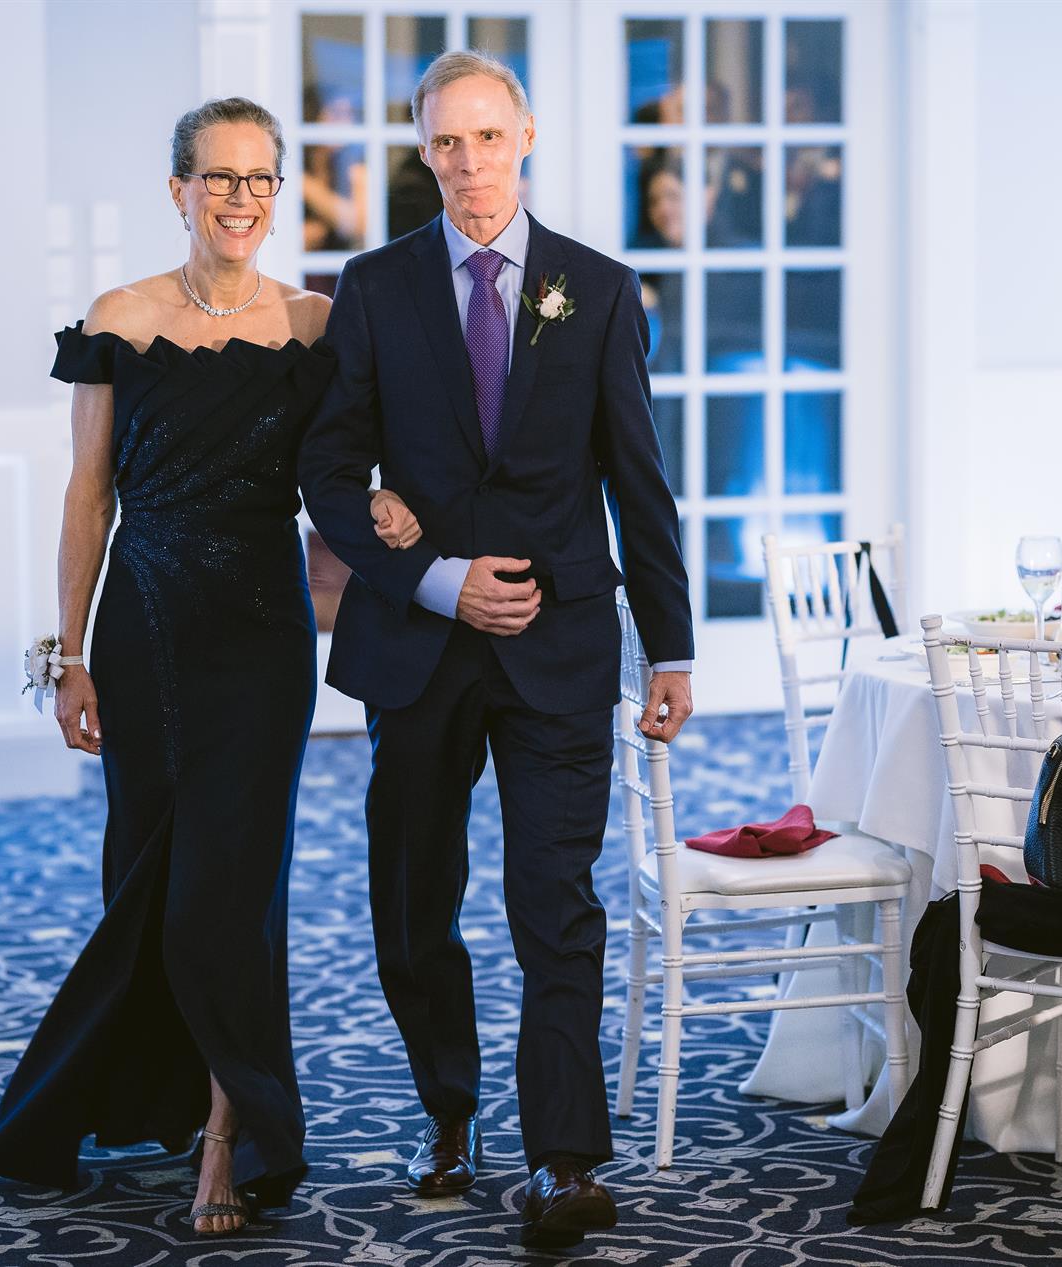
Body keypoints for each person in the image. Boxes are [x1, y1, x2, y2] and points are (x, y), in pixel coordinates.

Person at [0, 96, 421, 1237]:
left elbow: (345, 467)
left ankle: (229, 1129)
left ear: (279, 191)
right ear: (178, 190)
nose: (240, 198)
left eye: (260, 178)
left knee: (234, 887)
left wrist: (385, 504)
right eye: (218, 177)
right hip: (146, 634)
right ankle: (143, 1091)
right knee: (151, 876)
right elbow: (88, 495)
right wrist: (67, 653)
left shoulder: (316, 324)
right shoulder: (119, 318)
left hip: (264, 638)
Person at [299, 51, 695, 1251]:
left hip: (558, 642)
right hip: (419, 646)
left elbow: (639, 479)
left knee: (554, 903)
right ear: (423, 152)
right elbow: (328, 470)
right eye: (445, 142)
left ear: (525, 137)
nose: (468, 162)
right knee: (414, 901)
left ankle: (564, 1157)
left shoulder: (601, 289)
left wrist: (669, 649)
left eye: (486, 136)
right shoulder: (374, 287)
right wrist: (434, 576)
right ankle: (448, 1110)